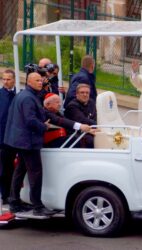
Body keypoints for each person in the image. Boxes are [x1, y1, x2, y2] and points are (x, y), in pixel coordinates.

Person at [4, 72, 56, 216]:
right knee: (35, 173)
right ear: (29, 82)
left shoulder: (24, 95)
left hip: (22, 141)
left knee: (20, 170)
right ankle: (38, 206)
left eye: (41, 80)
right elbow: (30, 120)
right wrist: (44, 126)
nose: (41, 82)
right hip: (28, 142)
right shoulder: (28, 98)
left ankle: (14, 202)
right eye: (37, 80)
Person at [0, 69, 16, 204]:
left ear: (14, 80)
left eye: (8, 79)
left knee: (13, 167)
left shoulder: (18, 95)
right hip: (3, 138)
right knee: (5, 167)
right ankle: (5, 195)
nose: (5, 82)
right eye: (3, 79)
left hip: (16, 137)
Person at [64, 84, 97, 148]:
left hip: (90, 130)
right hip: (75, 133)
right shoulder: (72, 106)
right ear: (77, 94)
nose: (85, 95)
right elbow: (83, 120)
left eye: (87, 93)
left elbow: (94, 117)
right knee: (90, 140)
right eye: (82, 92)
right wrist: (97, 125)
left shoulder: (91, 102)